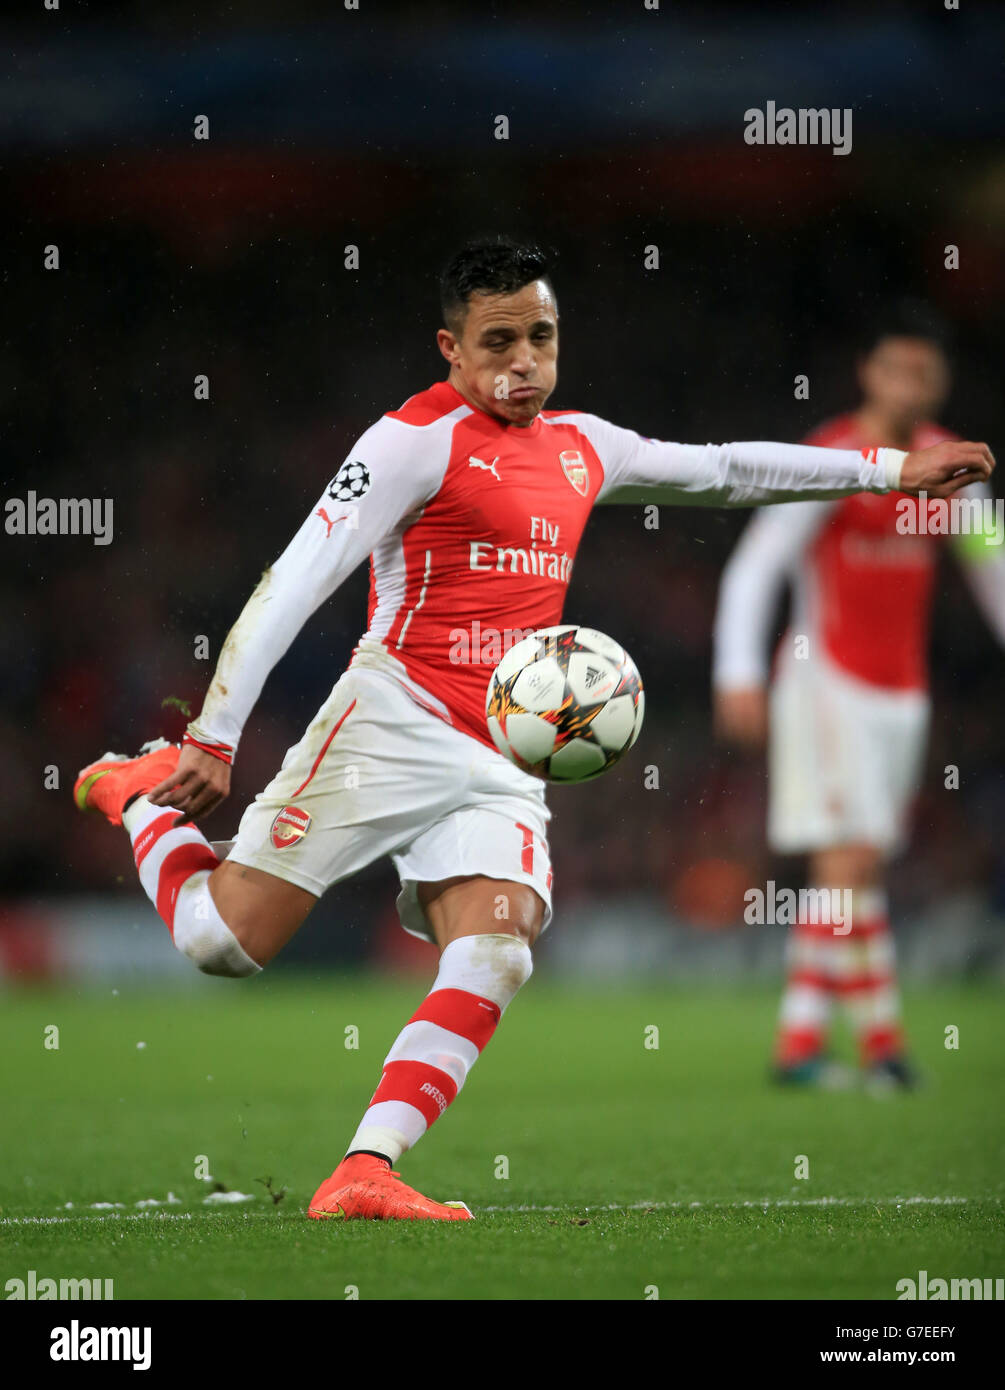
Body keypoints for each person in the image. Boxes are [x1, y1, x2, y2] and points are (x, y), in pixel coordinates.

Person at [76, 245, 993, 1217]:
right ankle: (142, 797)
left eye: (540, 337)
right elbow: (298, 579)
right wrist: (215, 734)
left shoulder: (584, 445)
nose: (523, 361)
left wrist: (893, 468)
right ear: (452, 349)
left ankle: (366, 1168)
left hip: (507, 747)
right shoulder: (410, 441)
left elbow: (725, 470)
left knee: (498, 947)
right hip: (394, 717)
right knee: (224, 941)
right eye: (498, 341)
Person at [712, 309, 1005, 1090]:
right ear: (868, 374)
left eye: (923, 371)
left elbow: (991, 568)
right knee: (849, 857)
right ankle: (879, 1046)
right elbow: (758, 564)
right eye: (895, 368)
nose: (909, 383)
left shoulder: (952, 468)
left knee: (854, 863)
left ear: (938, 380)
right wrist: (736, 670)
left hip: (900, 692)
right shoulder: (835, 458)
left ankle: (802, 1044)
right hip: (825, 677)